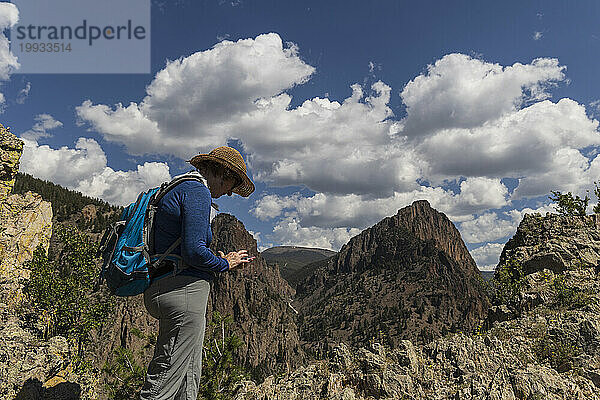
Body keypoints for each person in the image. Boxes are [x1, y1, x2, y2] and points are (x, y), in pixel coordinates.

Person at [140, 146, 255, 400]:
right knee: (164, 382)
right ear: (222, 173)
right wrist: (225, 264)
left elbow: (186, 249)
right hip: (182, 293)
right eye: (231, 185)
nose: (229, 193)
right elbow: (194, 251)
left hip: (166, 286)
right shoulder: (197, 191)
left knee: (189, 372)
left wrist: (220, 259)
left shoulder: (179, 187)